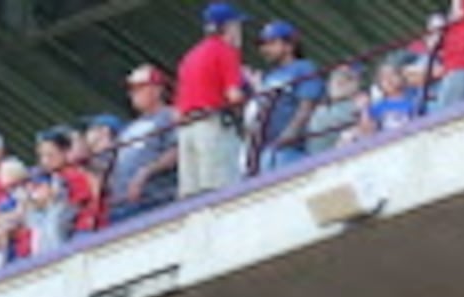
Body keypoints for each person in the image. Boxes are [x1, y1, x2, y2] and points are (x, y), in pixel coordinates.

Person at [174, 2, 252, 197]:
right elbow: (234, 96)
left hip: (186, 132)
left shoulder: (189, 56)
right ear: (227, 27)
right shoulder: (225, 50)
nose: (239, 31)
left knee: (192, 197)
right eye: (237, 26)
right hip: (212, 127)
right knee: (223, 191)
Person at [108, 64, 181, 222]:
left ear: (157, 90)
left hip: (154, 199)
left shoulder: (170, 115)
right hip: (122, 204)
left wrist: (146, 172)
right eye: (131, 90)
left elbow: (177, 150)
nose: (133, 94)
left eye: (139, 88)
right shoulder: (128, 129)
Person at [250, 22, 325, 168]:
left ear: (289, 45)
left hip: (291, 149)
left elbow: (306, 107)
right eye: (262, 44)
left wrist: (288, 136)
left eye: (271, 43)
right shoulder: (268, 76)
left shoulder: (304, 68)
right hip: (266, 150)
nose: (265, 49)